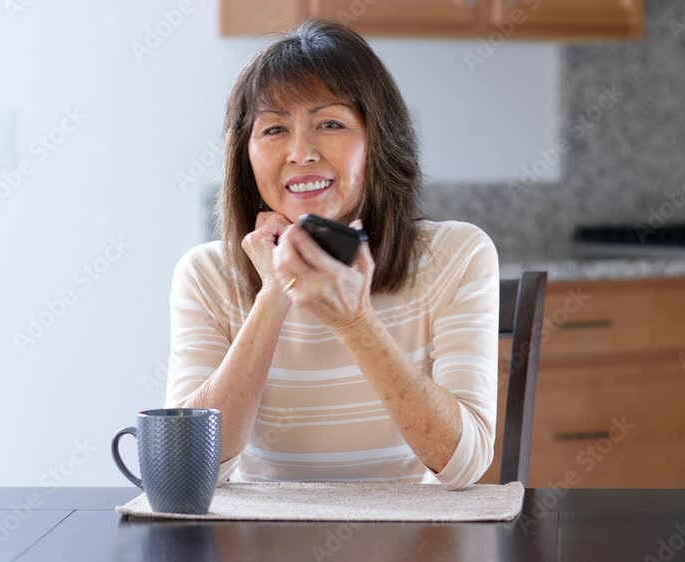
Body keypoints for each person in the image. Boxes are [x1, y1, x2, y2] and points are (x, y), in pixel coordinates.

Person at [165, 20, 499, 490]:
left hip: (411, 539)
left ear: (378, 141)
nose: (301, 152)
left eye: (330, 124)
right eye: (275, 128)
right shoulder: (206, 275)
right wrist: (275, 293)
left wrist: (355, 322)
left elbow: (464, 466)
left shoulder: (457, 255)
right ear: (245, 155)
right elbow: (186, 469)